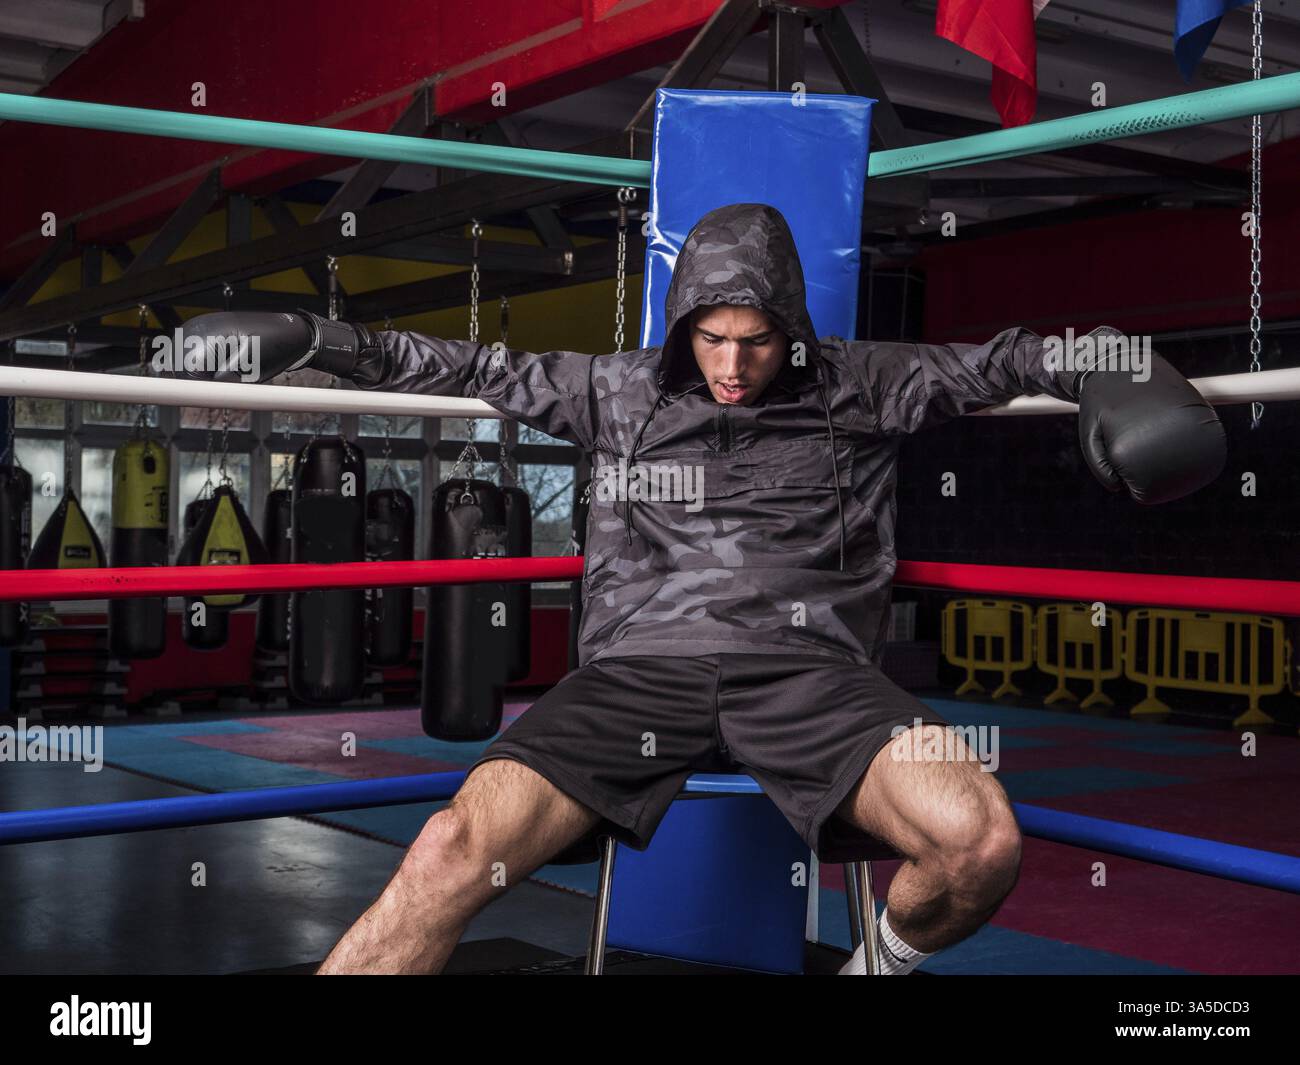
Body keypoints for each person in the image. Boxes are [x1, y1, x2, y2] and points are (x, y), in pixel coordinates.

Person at [180, 202, 1226, 975]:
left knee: (980, 840)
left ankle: (870, 969)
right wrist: (322, 340)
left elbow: (1012, 358)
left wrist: (1112, 364)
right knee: (453, 846)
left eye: (756, 341)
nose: (732, 364)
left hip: (809, 676)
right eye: (712, 339)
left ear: (791, 327)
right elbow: (459, 368)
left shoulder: (866, 381)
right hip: (639, 674)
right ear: (685, 323)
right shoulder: (615, 389)